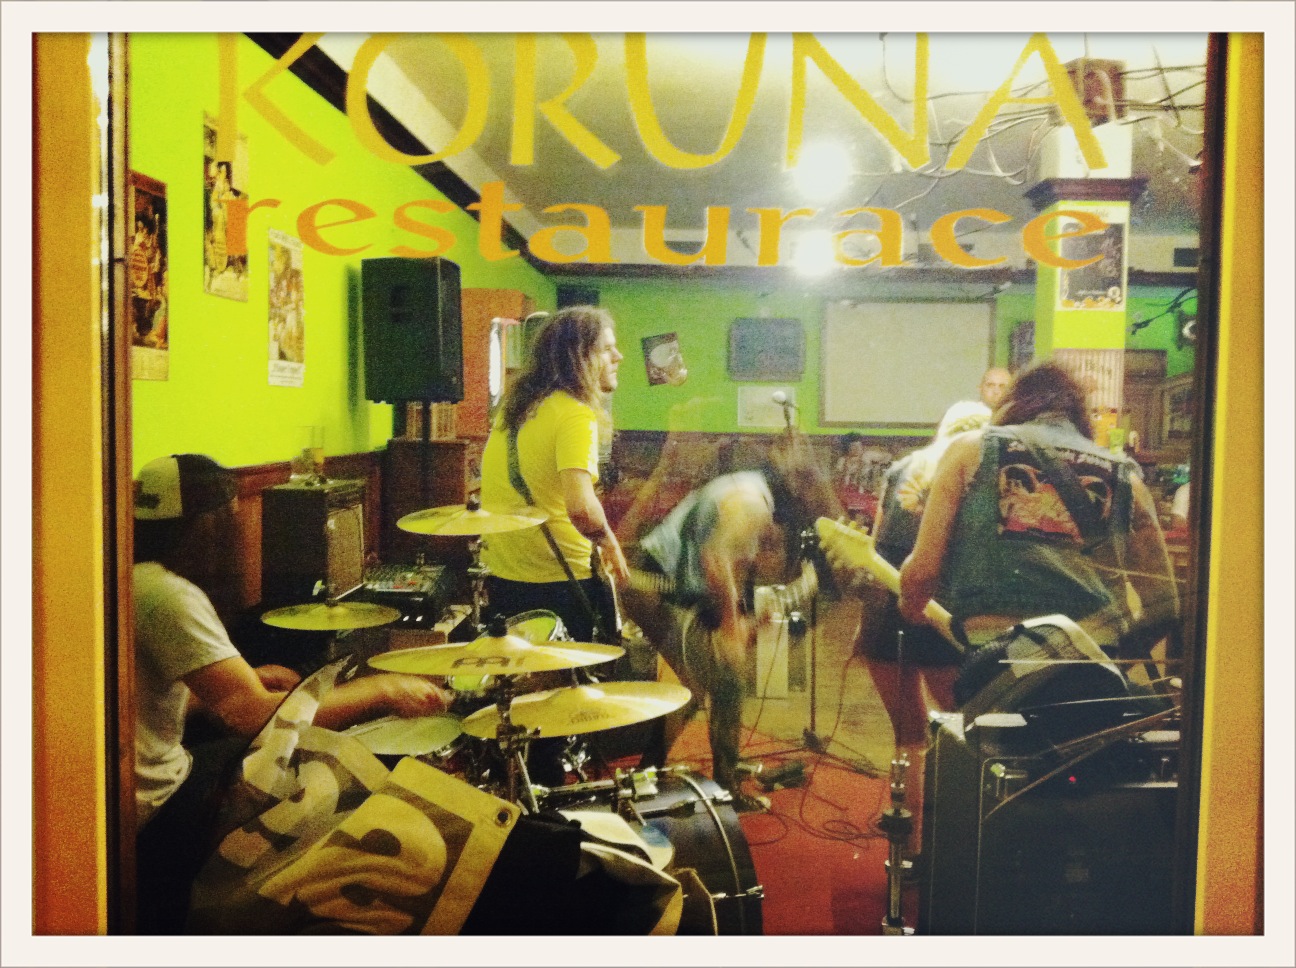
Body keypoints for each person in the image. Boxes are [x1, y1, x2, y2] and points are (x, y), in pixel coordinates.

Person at [132, 453, 452, 933]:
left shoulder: (131, 577)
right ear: (206, 527)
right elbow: (252, 716)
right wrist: (382, 689)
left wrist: (239, 680)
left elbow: (144, 699)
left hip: (135, 785)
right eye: (230, 520)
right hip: (159, 802)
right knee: (319, 782)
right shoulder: (167, 594)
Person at [619, 433, 841, 809]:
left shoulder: (746, 489)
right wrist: (730, 626)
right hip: (655, 589)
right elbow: (714, 560)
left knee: (694, 684)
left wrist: (739, 617)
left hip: (657, 588)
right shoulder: (753, 502)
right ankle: (726, 789)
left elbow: (729, 567)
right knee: (725, 682)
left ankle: (649, 773)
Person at [898, 361, 1179, 654]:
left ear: (1010, 405)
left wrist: (909, 606)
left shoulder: (970, 452)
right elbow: (1165, 606)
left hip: (996, 652)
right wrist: (1111, 661)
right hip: (1094, 651)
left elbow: (923, 572)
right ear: (1081, 414)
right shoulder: (1126, 478)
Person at [826, 400, 990, 853]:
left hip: (886, 607)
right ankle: (956, 846)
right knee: (962, 732)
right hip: (939, 608)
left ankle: (910, 849)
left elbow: (877, 545)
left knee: (909, 736)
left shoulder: (901, 468)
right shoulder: (974, 471)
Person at [478, 307, 629, 785]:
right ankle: (553, 807)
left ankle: (518, 798)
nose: (618, 357)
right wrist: (610, 542)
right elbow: (581, 507)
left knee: (522, 703)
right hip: (561, 581)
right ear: (580, 356)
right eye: (608, 348)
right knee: (561, 709)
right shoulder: (575, 414)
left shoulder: (515, 410)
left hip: (507, 578)